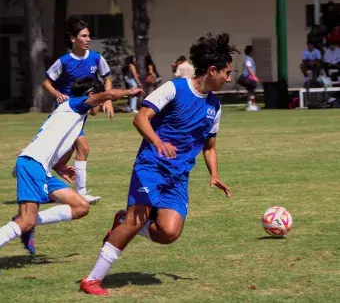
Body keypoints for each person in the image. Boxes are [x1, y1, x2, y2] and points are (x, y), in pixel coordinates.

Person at [80, 32, 234, 296]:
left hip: (178, 176)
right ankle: (92, 279)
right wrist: (158, 143)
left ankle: (124, 220)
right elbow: (140, 118)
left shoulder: (215, 106)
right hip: (151, 166)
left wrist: (215, 174)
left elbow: (210, 146)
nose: (229, 78)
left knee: (169, 233)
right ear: (212, 70)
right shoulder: (175, 88)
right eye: (226, 73)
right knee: (135, 220)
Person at [0, 78, 144, 255]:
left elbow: (54, 144)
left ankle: (26, 222)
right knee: (26, 220)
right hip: (33, 164)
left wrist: (60, 167)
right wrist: (131, 92)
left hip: (42, 168)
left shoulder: (72, 114)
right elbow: (110, 94)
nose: (100, 105)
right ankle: (24, 223)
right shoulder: (76, 104)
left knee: (81, 207)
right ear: (92, 95)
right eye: (99, 100)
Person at [42, 17, 114, 204]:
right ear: (73, 39)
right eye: (84, 36)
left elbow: (107, 77)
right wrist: (57, 93)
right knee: (83, 148)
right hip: (67, 113)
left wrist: (107, 99)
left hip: (82, 114)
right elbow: (46, 82)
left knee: (61, 153)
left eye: (89, 35)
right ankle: (81, 193)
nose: (88, 39)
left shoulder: (96, 58)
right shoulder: (64, 61)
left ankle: (44, 183)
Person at [237, 45, 260, 111]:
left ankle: (253, 105)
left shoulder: (250, 58)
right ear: (250, 51)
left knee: (250, 91)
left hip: (249, 78)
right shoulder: (248, 59)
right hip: (247, 78)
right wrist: (254, 77)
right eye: (253, 51)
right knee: (251, 90)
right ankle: (251, 105)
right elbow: (249, 68)